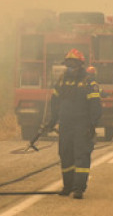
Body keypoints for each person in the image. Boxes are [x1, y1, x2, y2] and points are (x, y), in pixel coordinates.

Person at [41, 49, 102, 199]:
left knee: (81, 155)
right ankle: (67, 186)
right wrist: (51, 121)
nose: (70, 66)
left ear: (80, 64)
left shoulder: (89, 81)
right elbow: (55, 103)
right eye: (68, 63)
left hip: (82, 125)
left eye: (74, 63)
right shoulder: (62, 80)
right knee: (65, 154)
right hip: (66, 124)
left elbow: (95, 105)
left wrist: (92, 125)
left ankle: (79, 188)